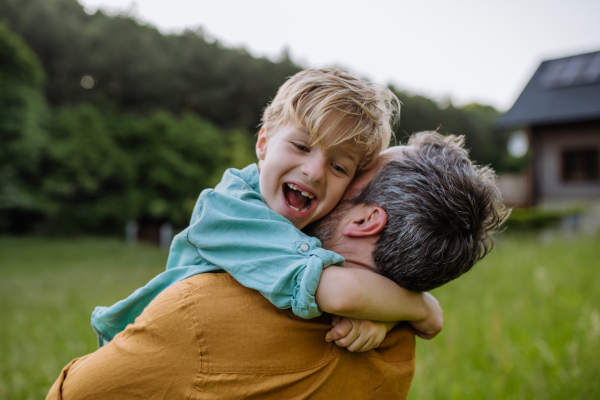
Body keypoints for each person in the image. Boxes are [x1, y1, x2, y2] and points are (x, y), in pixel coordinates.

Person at [47, 131, 508, 399]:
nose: (316, 177)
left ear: (367, 219)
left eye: (349, 169)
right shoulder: (395, 346)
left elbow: (76, 395)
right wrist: (418, 307)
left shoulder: (202, 312)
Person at [91, 68, 442, 354]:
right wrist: (419, 308)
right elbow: (345, 293)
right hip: (152, 361)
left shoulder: (311, 222)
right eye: (302, 146)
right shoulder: (227, 213)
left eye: (339, 168)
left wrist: (375, 318)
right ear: (262, 143)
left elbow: (358, 291)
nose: (315, 171)